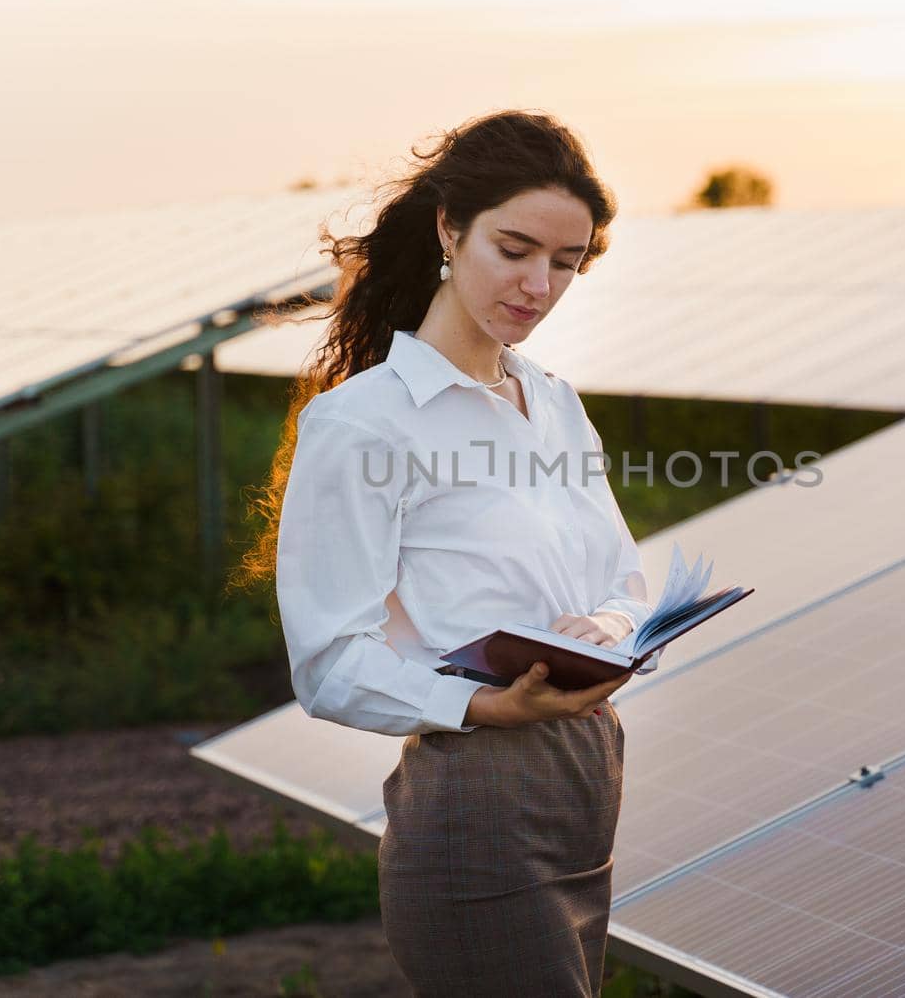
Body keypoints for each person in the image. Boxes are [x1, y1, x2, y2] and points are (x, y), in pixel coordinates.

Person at [236, 110, 653, 996]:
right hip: (479, 800)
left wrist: (603, 626)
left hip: (587, 779)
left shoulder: (555, 401)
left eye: (567, 263)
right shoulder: (362, 423)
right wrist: (485, 708)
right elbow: (328, 663)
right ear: (448, 229)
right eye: (514, 248)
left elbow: (623, 579)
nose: (538, 284)